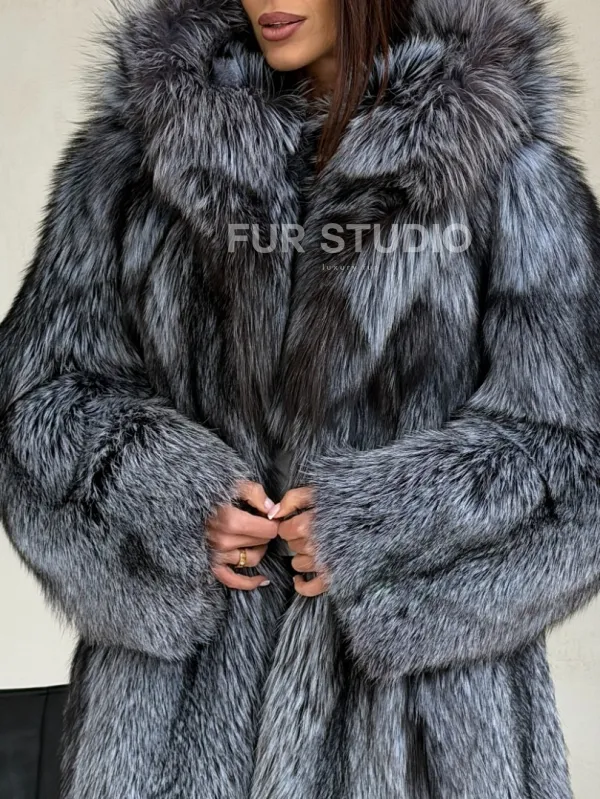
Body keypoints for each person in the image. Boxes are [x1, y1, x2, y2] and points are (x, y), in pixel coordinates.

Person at [1, 0, 600, 796]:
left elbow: (575, 457)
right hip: (177, 729)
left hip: (420, 735)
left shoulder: (507, 172)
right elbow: (38, 402)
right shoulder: (137, 160)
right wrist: (176, 500)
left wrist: (379, 525)